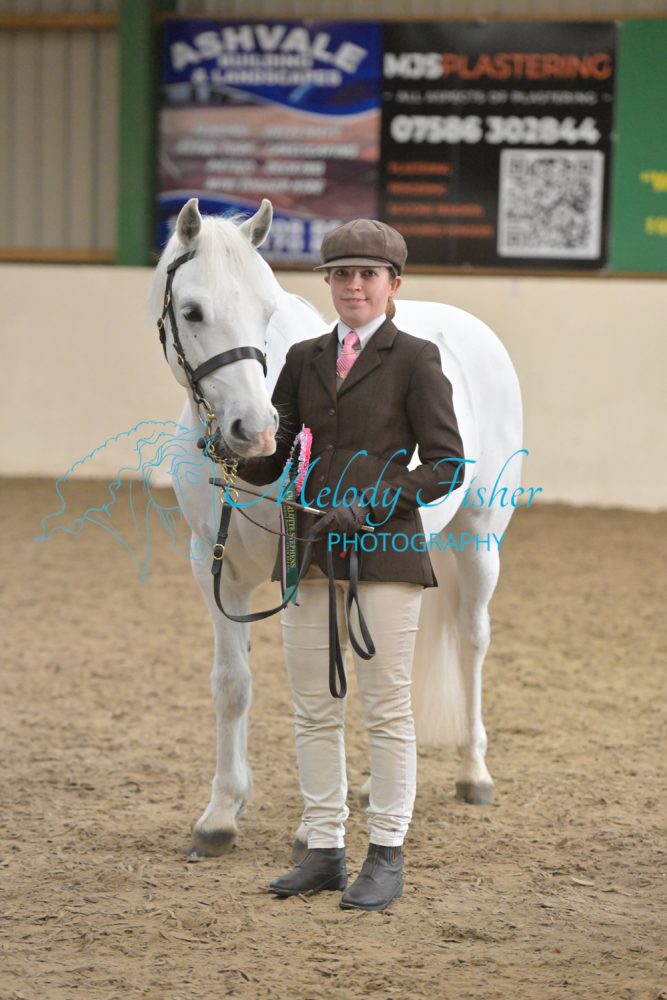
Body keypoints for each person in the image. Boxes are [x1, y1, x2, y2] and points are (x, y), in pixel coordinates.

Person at [239, 219, 464, 911]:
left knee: (386, 709)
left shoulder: (416, 358)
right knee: (313, 707)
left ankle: (386, 851)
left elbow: (447, 464)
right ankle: (324, 848)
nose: (353, 285)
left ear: (393, 284)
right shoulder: (303, 358)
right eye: (341, 274)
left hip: (386, 553)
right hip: (309, 549)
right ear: (330, 283)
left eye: (367, 274)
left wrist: (369, 505)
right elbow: (274, 456)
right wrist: (232, 447)